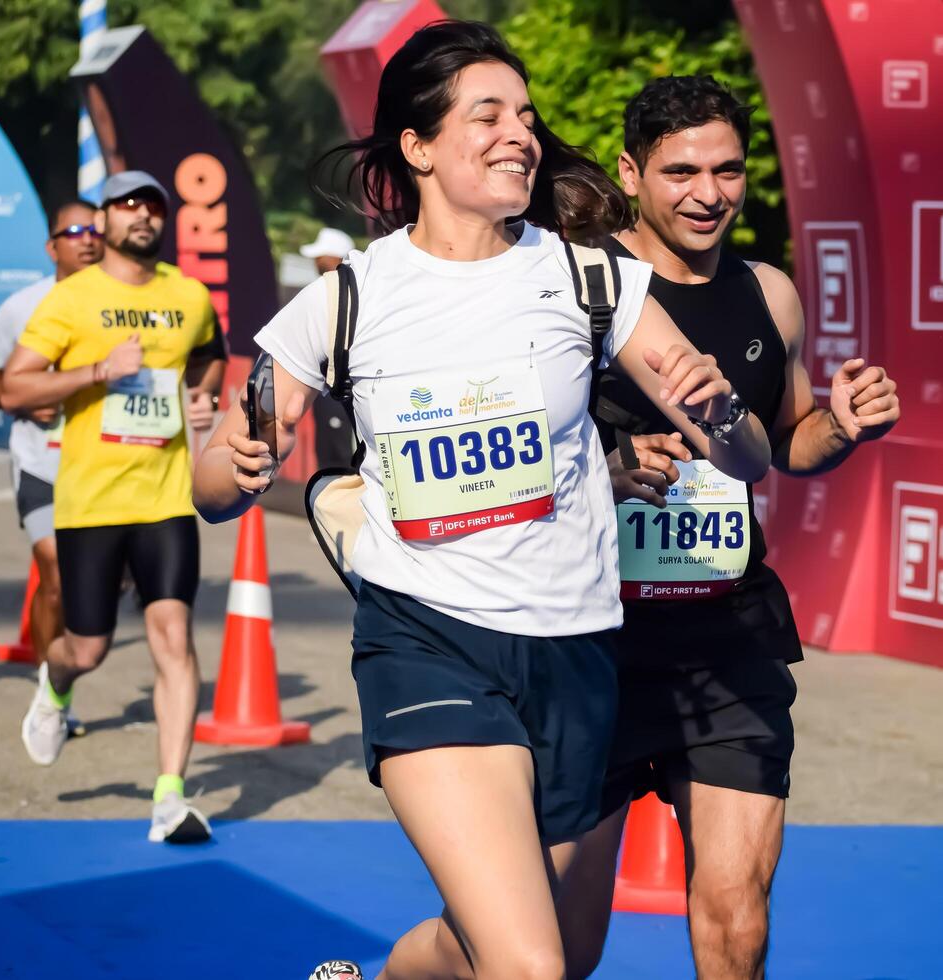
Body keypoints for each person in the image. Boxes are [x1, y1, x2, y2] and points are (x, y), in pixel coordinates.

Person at [193, 23, 772, 980]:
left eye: (527, 116)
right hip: (426, 639)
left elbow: (745, 455)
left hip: (579, 653)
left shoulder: (592, 281)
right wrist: (238, 460)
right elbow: (215, 484)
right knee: (529, 967)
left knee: (539, 953)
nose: (520, 135)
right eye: (488, 114)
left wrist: (723, 414)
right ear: (417, 148)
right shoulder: (345, 300)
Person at [561, 76, 901, 980]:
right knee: (555, 951)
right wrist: (608, 467)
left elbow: (791, 441)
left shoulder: (768, 293)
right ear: (631, 174)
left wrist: (842, 426)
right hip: (589, 646)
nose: (707, 193)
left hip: (726, 636)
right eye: (680, 171)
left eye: (726, 170)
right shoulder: (577, 292)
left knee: (735, 921)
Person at [2, 170, 228, 844]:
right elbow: (16, 386)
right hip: (91, 502)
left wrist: (203, 395)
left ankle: (169, 797)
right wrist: (97, 371)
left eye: (152, 205)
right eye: (126, 205)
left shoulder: (187, 297)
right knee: (90, 646)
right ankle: (58, 681)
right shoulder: (73, 301)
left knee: (173, 639)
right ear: (102, 221)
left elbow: (209, 357)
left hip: (163, 497)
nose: (142, 215)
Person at [0, 200, 103, 687]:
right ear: (52, 246)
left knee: (85, 582)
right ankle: (51, 689)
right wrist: (24, 403)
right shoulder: (20, 308)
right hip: (40, 465)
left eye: (95, 229)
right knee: (54, 577)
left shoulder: (121, 307)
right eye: (74, 231)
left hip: (103, 466)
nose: (87, 238)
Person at [301, 227, 360, 468]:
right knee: (327, 457)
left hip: (346, 390)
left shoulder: (353, 297)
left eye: (322, 256)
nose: (317, 262)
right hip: (325, 389)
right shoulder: (321, 294)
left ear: (337, 258)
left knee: (342, 459)